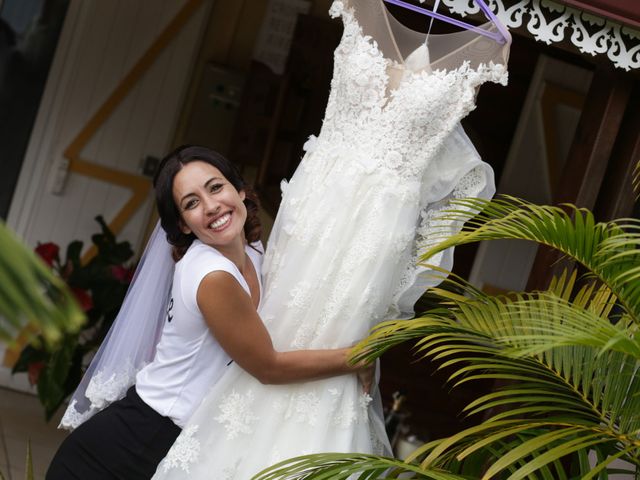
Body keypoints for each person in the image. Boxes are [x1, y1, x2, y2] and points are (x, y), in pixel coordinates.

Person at [46, 145, 374, 480]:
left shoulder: (254, 253)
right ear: (184, 225)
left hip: (178, 440)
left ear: (239, 190)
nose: (211, 206)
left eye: (215, 187)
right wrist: (357, 357)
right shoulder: (212, 275)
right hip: (131, 446)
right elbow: (267, 366)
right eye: (191, 203)